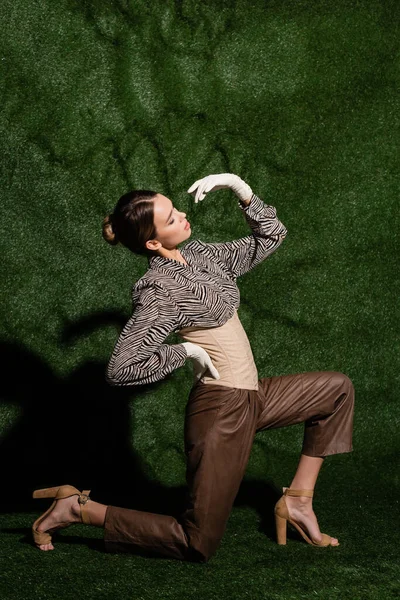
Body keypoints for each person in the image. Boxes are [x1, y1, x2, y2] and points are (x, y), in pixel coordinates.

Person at [32, 173, 354, 560]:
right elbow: (121, 368)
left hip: (254, 398)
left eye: (175, 208)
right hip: (221, 412)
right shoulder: (158, 289)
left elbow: (271, 236)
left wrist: (239, 188)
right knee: (197, 541)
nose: (183, 215)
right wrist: (184, 352)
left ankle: (299, 501)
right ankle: (79, 509)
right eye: (170, 219)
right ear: (153, 242)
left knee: (336, 389)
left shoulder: (203, 255)